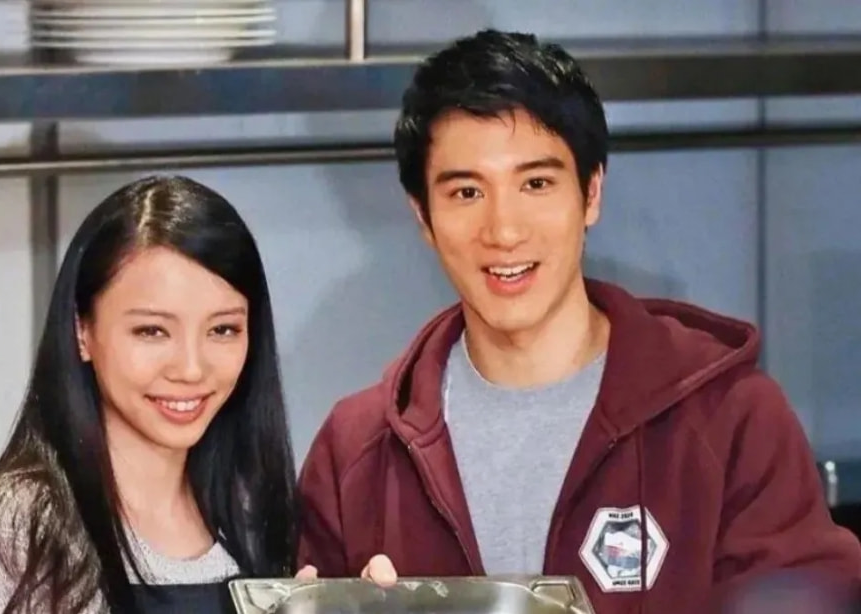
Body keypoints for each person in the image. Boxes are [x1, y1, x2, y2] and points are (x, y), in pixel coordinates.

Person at [295, 29, 861, 614]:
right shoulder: (355, 451)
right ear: (423, 217)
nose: (505, 230)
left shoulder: (731, 419)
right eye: (466, 192)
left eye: (536, 184)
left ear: (591, 193)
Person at [0, 176, 298, 614]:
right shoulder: (30, 521)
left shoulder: (251, 506)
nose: (191, 368)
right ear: (82, 331)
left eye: (223, 329)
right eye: (152, 331)